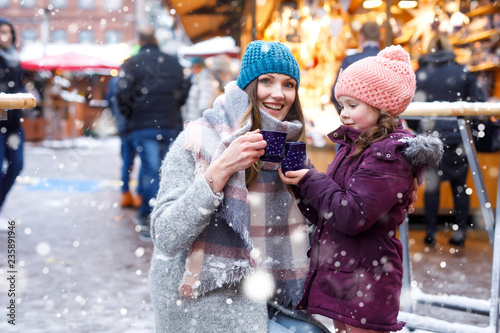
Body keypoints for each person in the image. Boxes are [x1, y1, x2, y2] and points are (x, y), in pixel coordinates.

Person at [148, 40, 330, 333]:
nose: (278, 93)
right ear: (247, 86)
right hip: (205, 302)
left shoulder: (290, 149)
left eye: (288, 85)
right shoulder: (199, 141)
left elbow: (322, 226)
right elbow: (166, 237)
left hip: (270, 296)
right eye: (266, 81)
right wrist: (220, 170)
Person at [279, 45, 443, 333]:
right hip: (347, 274)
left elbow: (351, 215)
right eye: (341, 105)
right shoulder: (356, 146)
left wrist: (310, 181)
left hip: (367, 278)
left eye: (352, 105)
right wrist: (301, 187)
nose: (343, 114)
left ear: (381, 107)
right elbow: (329, 213)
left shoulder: (387, 156)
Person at [413, 33, 487, 247]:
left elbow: (410, 104)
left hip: (430, 137)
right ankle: (460, 232)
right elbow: (479, 103)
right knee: (459, 186)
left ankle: (430, 232)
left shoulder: (421, 73)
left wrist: (421, 130)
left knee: (432, 187)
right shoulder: (462, 71)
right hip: (458, 138)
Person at [116, 25, 188, 239]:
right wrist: (173, 108)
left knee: (150, 171)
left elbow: (121, 94)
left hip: (144, 125)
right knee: (168, 171)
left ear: (140, 40)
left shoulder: (131, 63)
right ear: (155, 39)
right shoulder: (173, 62)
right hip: (169, 123)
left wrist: (131, 115)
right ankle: (164, 216)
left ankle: (150, 217)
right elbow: (184, 89)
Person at [0, 17, 26, 227]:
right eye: (1, 32)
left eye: (8, 32)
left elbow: (18, 87)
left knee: (17, 165)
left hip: (13, 123)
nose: (5, 36)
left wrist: (26, 96)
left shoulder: (15, 58)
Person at [105, 76, 141, 208]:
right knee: (143, 162)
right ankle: (138, 195)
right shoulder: (138, 78)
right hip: (136, 126)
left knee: (127, 161)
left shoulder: (116, 80)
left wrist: (118, 116)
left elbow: (109, 100)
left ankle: (126, 193)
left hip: (124, 126)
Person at [330, 21, 381, 113]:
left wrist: (348, 115)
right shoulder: (389, 60)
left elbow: (335, 94)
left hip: (356, 122)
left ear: (361, 37)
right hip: (385, 123)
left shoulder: (350, 60)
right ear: (380, 37)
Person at [182, 54, 233, 122]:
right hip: (199, 124)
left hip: (194, 121)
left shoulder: (207, 77)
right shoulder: (209, 80)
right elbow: (205, 108)